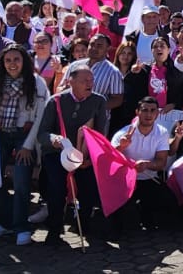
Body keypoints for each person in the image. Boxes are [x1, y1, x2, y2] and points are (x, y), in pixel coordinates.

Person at [0, 43, 50, 246]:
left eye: (16, 59)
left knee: (21, 182)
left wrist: (28, 145)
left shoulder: (36, 83)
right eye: (8, 60)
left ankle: (22, 226)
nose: (12, 64)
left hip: (24, 136)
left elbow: (40, 117)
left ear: (24, 61)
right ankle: (6, 221)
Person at [36, 62, 110, 244]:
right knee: (56, 188)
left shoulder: (98, 101)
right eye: (85, 80)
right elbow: (42, 133)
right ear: (71, 81)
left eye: (91, 80)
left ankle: (84, 225)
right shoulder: (56, 101)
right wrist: (54, 140)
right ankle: (54, 229)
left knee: (88, 188)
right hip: (58, 153)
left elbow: (100, 134)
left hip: (84, 154)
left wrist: (90, 159)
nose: (89, 83)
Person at [111, 97, 176, 232]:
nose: (148, 114)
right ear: (137, 112)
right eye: (144, 110)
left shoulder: (162, 132)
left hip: (149, 178)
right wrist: (122, 147)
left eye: (152, 110)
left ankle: (147, 215)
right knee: (121, 223)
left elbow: (161, 162)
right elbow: (110, 161)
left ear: (157, 114)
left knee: (170, 202)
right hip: (127, 181)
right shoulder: (123, 133)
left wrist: (147, 165)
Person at [82, 34, 124, 114]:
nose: (94, 48)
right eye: (92, 44)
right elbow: (61, 86)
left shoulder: (113, 72)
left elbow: (117, 99)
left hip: (96, 118)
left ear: (107, 49)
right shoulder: (75, 66)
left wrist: (97, 107)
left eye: (99, 46)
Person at [112, 41, 145, 126]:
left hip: (130, 116)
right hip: (112, 114)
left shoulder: (139, 73)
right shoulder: (111, 71)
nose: (125, 56)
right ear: (118, 54)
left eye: (129, 53)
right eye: (123, 52)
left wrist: (132, 73)